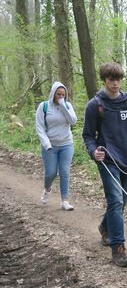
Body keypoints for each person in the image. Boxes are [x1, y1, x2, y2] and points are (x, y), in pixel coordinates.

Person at [82, 62, 127, 268]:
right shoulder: (95, 105)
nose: (115, 83)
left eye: (118, 79)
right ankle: (118, 248)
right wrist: (93, 151)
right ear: (104, 80)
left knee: (122, 201)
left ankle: (105, 227)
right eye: (111, 79)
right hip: (107, 161)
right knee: (115, 200)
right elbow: (88, 136)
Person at [35, 81, 77, 211]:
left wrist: (63, 106)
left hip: (66, 144)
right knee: (51, 173)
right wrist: (46, 144)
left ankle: (64, 201)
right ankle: (47, 189)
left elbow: (73, 122)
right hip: (50, 146)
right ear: (53, 93)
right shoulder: (44, 106)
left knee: (64, 171)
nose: (60, 97)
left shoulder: (68, 105)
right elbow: (39, 127)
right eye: (58, 94)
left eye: (63, 95)